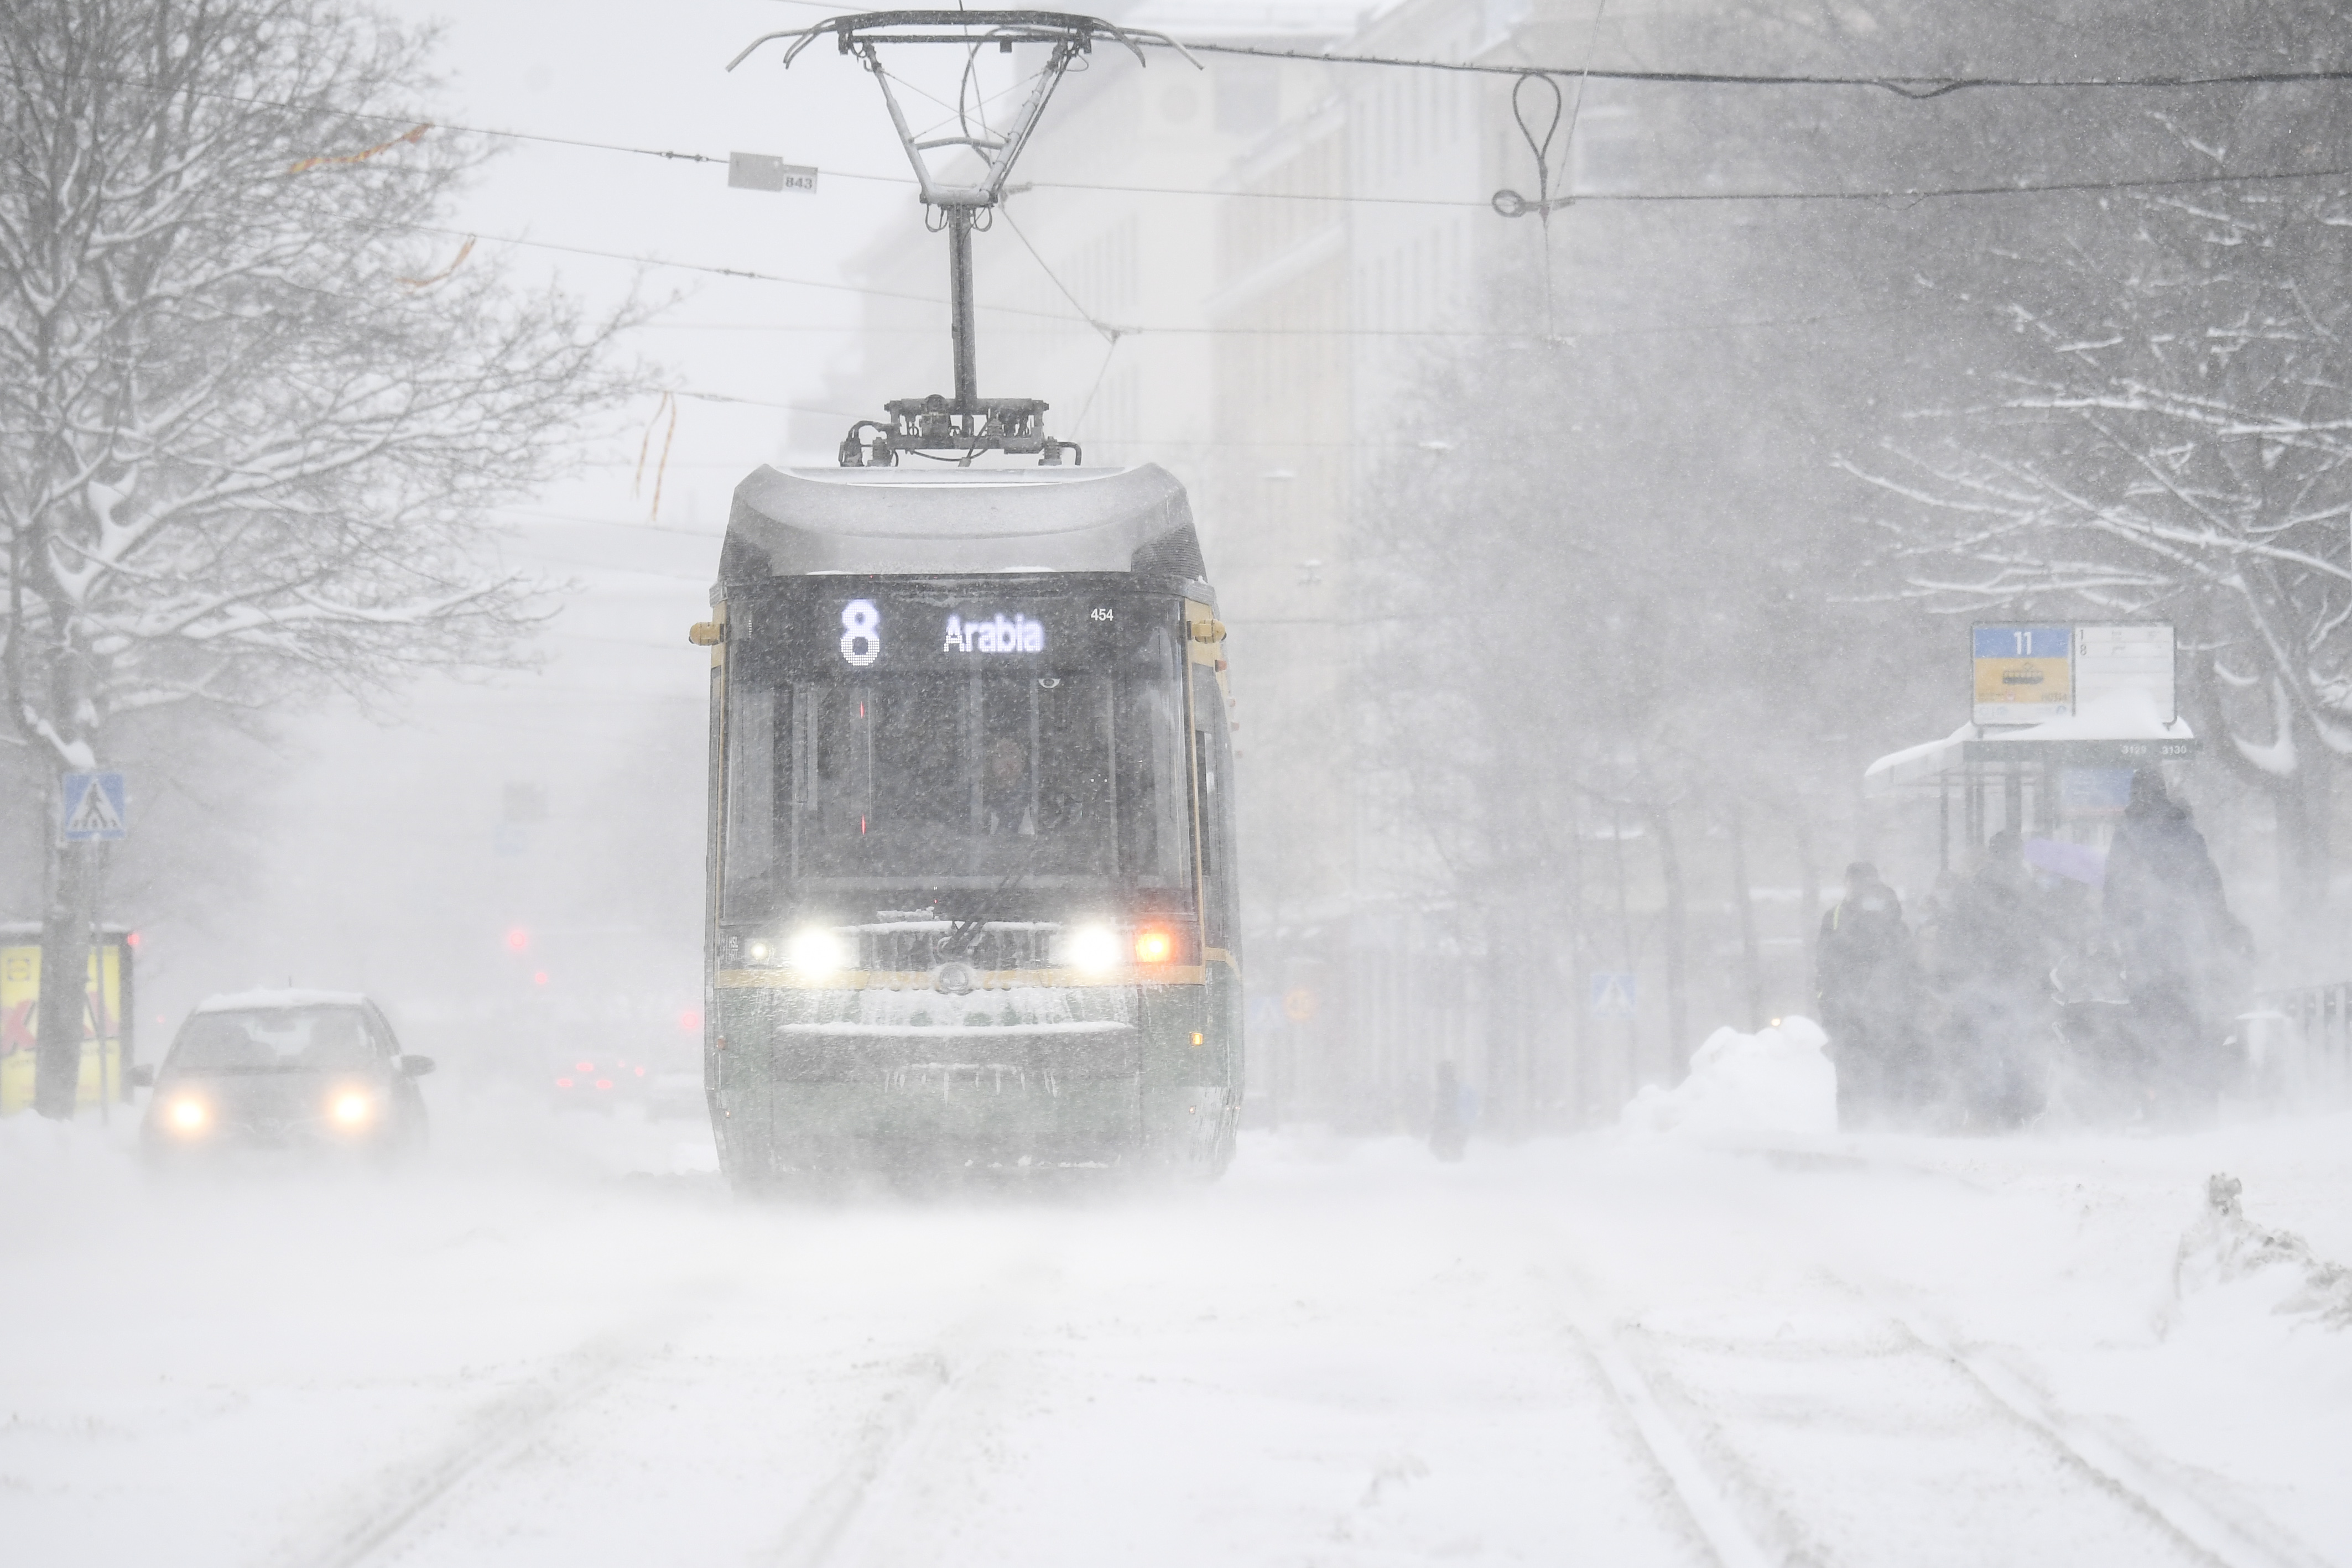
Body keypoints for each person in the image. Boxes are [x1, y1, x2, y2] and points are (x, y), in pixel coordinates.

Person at [2103, 770, 2251, 1119]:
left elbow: (2113, 898)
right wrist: (2218, 939)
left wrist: (2120, 939)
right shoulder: (2187, 835)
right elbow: (2211, 894)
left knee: (2152, 1030)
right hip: (2188, 954)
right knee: (2193, 1028)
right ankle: (2198, 1105)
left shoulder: (2125, 839)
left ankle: (2156, 1103)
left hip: (2144, 958)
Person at [1935, 831, 2053, 1129]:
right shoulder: (2029, 890)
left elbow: (1952, 936)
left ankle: (1984, 1112)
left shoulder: (1970, 889)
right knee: (2019, 1048)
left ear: (1991, 853)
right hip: (2019, 981)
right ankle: (2018, 1112)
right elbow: (2042, 935)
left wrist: (1954, 976)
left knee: (1982, 1048)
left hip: (1978, 981)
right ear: (2018, 854)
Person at [1815, 863, 1922, 1121]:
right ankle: (1891, 1126)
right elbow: (1909, 965)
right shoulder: (1893, 918)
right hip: (1886, 1011)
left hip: (1855, 1012)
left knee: (1856, 1075)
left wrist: (1828, 1006)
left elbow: (1826, 967)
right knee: (1888, 1072)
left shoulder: (1837, 918)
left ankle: (1859, 1128)